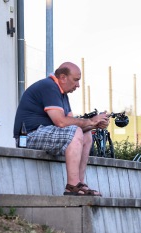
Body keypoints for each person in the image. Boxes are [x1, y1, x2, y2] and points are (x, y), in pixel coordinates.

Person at [13, 61, 109, 196]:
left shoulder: (62, 93)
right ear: (63, 77)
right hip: (28, 136)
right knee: (76, 131)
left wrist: (95, 124)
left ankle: (80, 183)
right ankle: (72, 185)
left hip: (43, 134)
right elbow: (62, 122)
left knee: (86, 134)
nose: (78, 85)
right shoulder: (49, 87)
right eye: (75, 80)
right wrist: (91, 120)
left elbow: (73, 122)